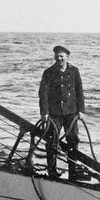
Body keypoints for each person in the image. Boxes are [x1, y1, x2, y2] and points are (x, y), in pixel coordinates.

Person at [38, 45, 87, 181]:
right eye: (57, 56)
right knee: (52, 142)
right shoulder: (48, 72)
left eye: (61, 56)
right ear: (54, 57)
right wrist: (44, 113)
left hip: (71, 113)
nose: (59, 59)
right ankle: (52, 171)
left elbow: (80, 91)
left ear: (67, 57)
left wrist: (81, 110)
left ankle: (73, 172)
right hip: (54, 114)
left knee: (73, 141)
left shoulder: (74, 71)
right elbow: (43, 94)